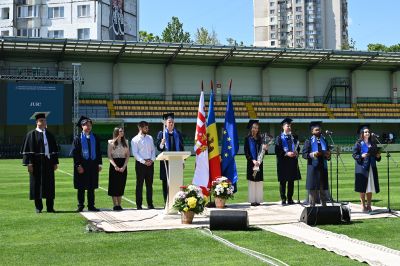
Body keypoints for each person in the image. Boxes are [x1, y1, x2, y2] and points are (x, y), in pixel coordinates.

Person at [20, 112, 59, 213]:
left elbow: (54, 151)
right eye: (41, 120)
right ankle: (38, 207)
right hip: (36, 163)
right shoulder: (31, 135)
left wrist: (55, 163)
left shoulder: (50, 135)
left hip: (48, 163)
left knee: (50, 184)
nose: (43, 122)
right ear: (37, 122)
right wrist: (29, 164)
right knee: (37, 184)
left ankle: (50, 207)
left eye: (45, 120)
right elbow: (27, 151)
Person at [72, 116, 102, 212]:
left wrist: (99, 164)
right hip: (82, 165)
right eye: (86, 125)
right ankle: (80, 205)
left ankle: (91, 205)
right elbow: (75, 153)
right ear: (82, 126)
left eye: (90, 125)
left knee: (91, 186)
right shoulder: (77, 138)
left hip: (93, 165)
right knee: (81, 186)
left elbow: (98, 151)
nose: (88, 127)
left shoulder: (95, 137)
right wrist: (78, 165)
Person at [156, 113, 184, 203]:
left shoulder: (178, 133)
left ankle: (177, 201)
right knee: (165, 182)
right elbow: (159, 148)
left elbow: (182, 148)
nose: (171, 123)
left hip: (176, 162)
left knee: (176, 182)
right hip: (165, 162)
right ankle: (166, 202)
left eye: (172, 122)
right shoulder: (161, 134)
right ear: (165, 123)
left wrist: (183, 161)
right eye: (169, 122)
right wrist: (162, 143)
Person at [352, 124, 381, 212]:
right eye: (365, 132)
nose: (367, 133)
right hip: (362, 167)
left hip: (371, 167)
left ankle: (369, 205)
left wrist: (378, 156)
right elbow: (354, 155)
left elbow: (377, 157)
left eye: (368, 132)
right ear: (362, 133)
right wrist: (361, 155)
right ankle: (363, 205)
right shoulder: (358, 143)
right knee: (362, 187)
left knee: (370, 186)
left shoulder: (373, 143)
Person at [302, 121, 331, 207]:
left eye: (319, 129)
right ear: (312, 132)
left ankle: (324, 207)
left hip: (322, 166)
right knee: (313, 189)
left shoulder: (324, 140)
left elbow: (327, 153)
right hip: (313, 167)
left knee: (322, 188)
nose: (319, 131)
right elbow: (304, 154)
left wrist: (328, 155)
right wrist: (313, 154)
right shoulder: (309, 141)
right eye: (316, 130)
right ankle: (312, 208)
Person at [275, 118, 301, 205]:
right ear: (283, 127)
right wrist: (286, 153)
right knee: (283, 181)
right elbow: (277, 150)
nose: (289, 127)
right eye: (287, 126)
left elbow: (298, 148)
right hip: (283, 162)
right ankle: (283, 199)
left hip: (292, 162)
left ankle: (290, 199)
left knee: (291, 181)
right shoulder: (279, 138)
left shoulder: (294, 137)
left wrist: (297, 152)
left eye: (290, 126)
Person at [131, 121, 156, 210]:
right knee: (139, 184)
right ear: (140, 128)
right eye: (145, 127)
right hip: (140, 164)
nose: (147, 129)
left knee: (149, 185)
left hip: (150, 163)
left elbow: (153, 150)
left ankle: (150, 204)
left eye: (147, 127)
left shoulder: (150, 138)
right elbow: (135, 153)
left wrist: (152, 160)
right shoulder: (134, 139)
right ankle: (139, 205)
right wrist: (144, 161)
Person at [244, 120, 268, 206]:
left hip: (260, 162)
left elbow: (264, 152)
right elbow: (246, 152)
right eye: (254, 127)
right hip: (251, 163)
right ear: (251, 128)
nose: (256, 129)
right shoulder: (247, 139)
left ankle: (258, 200)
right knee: (252, 181)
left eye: (257, 128)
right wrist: (253, 160)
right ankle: (252, 200)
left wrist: (265, 148)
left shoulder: (260, 139)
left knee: (258, 181)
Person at [107, 127, 129, 211]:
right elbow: (109, 156)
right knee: (113, 185)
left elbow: (128, 155)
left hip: (123, 164)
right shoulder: (110, 142)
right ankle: (114, 205)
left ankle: (119, 204)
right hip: (114, 164)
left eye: (123, 131)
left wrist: (124, 166)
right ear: (116, 132)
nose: (122, 132)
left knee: (121, 184)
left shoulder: (126, 142)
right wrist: (115, 166)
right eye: (120, 131)